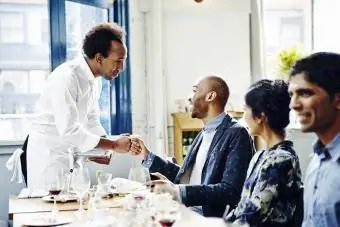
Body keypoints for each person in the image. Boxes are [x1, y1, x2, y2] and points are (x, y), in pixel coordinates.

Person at [130, 75, 255, 217]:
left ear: (210, 96)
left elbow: (231, 191)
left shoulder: (237, 133)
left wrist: (177, 191)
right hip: (186, 212)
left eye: (195, 90)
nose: (189, 98)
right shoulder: (203, 133)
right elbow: (186, 178)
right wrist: (147, 156)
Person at [26, 22, 131, 189]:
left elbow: (90, 119)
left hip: (71, 156)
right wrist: (114, 144)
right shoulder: (67, 77)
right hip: (49, 158)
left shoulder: (95, 81)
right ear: (98, 58)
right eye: (118, 61)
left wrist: (106, 148)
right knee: (51, 211)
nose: (122, 67)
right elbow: (69, 130)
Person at [224, 79, 303, 227]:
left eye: (245, 109)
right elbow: (242, 208)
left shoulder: (281, 159)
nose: (243, 117)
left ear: (260, 116)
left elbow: (253, 214)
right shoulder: (259, 156)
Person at [288, 52, 340, 227]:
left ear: (338, 99)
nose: (294, 105)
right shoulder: (317, 160)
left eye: (305, 93)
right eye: (292, 95)